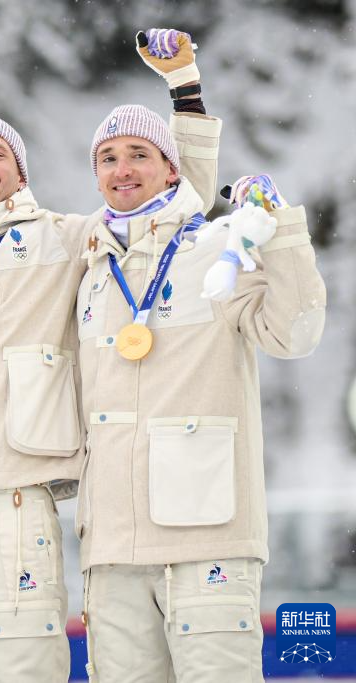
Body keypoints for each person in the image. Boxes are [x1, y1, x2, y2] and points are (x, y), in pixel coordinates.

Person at [0, 28, 222, 683]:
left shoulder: (67, 240)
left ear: (20, 174)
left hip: (14, 503)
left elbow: (169, 206)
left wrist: (186, 95)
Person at [75, 103, 326, 681]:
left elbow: (295, 334)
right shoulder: (90, 270)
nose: (122, 169)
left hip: (208, 538)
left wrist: (281, 229)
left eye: (139, 154)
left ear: (172, 169)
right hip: (111, 548)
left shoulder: (218, 249)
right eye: (108, 158)